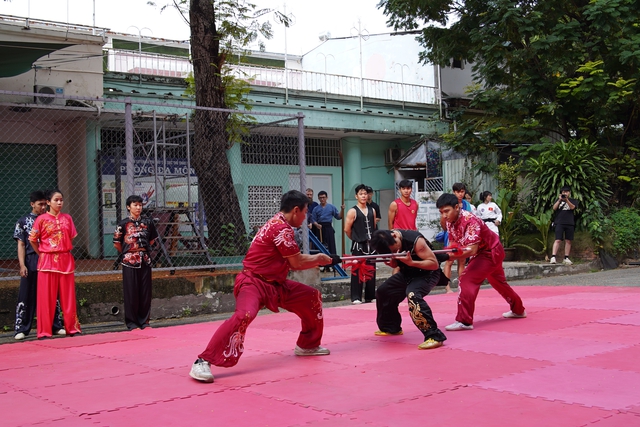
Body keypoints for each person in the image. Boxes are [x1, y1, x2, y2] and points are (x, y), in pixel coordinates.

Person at [189, 190, 333, 383]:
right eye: (305, 211)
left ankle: (308, 345)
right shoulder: (281, 229)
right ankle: (202, 360)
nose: (306, 216)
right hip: (253, 283)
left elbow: (293, 261)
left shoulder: (279, 222)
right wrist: (319, 258)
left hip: (276, 283)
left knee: (311, 297)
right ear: (296, 210)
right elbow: (297, 263)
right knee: (244, 315)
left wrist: (319, 259)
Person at [436, 193, 526, 331]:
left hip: (490, 252)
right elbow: (454, 242)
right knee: (499, 283)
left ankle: (464, 321)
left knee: (466, 279)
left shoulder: (470, 220)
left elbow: (471, 250)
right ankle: (518, 310)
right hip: (488, 251)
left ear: (456, 207)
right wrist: (448, 253)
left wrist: (447, 256)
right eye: (441, 212)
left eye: (446, 211)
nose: (444, 215)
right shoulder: (449, 222)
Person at [370, 229, 448, 350]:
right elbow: (397, 264)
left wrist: (411, 262)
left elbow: (434, 264)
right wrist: (393, 264)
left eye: (395, 248)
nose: (395, 251)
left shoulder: (416, 241)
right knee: (384, 292)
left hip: (428, 273)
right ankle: (391, 328)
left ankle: (434, 336)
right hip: (407, 273)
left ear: (394, 235)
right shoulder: (390, 244)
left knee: (413, 295)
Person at [29, 189, 81, 339]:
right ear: (48, 202)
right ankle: (44, 331)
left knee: (68, 296)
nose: (59, 203)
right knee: (46, 298)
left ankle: (72, 328)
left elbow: (70, 238)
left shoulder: (68, 218)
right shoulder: (41, 219)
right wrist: (42, 253)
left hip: (65, 260)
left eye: (61, 200)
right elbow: (33, 240)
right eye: (56, 200)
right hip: (47, 261)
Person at [13, 191, 64, 340]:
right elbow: (21, 244)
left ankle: (55, 325)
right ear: (32, 204)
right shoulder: (23, 222)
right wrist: (22, 265)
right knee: (26, 294)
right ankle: (22, 328)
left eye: (44, 204)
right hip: (31, 260)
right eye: (39, 204)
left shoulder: (52, 220)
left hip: (49, 259)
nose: (42, 207)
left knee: (51, 293)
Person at [113, 195, 159, 330]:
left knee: (145, 292)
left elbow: (151, 240)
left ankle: (144, 321)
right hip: (129, 261)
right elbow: (117, 244)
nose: (138, 207)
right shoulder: (123, 224)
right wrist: (129, 253)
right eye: (135, 205)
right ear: (128, 207)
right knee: (131, 291)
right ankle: (132, 322)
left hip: (145, 260)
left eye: (140, 205)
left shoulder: (148, 223)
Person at [344, 184, 377, 304]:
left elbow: (373, 226)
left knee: (371, 270)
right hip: (359, 245)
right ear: (356, 196)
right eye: (361, 194)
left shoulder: (372, 210)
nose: (363, 196)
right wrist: (356, 238)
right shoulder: (352, 211)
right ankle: (356, 297)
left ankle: (370, 295)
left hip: (371, 245)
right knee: (357, 271)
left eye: (365, 194)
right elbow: (347, 229)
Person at [442, 183, 473, 291]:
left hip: (463, 234)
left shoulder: (466, 205)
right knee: (449, 260)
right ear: (454, 192)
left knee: (462, 260)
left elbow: (469, 220)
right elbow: (444, 222)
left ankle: (461, 286)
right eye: (457, 192)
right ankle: (447, 287)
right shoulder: (449, 204)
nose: (460, 194)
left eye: (462, 191)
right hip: (452, 234)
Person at [311, 190, 344, 257]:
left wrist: (342, 210)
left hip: (328, 228)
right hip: (319, 228)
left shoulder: (331, 207)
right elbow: (313, 219)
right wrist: (316, 224)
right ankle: (322, 264)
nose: (322, 199)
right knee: (321, 246)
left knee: (331, 245)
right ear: (318, 198)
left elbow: (339, 217)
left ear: (326, 198)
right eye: (320, 198)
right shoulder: (316, 209)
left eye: (323, 197)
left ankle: (332, 263)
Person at [551, 186, 579, 265]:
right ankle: (553, 256)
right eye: (563, 192)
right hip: (559, 222)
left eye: (566, 192)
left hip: (569, 223)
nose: (565, 193)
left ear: (569, 193)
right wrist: (560, 200)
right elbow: (554, 208)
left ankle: (566, 257)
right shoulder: (558, 200)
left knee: (568, 240)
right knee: (558, 239)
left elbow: (572, 207)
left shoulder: (573, 200)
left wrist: (567, 200)